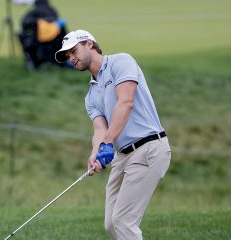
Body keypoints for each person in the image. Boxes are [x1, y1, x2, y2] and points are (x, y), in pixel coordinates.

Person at [55, 29, 171, 239]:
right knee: (112, 224)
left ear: (89, 44)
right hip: (123, 156)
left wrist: (108, 143)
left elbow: (125, 102)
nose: (71, 58)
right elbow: (100, 129)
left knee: (124, 222)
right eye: (67, 55)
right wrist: (95, 152)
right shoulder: (90, 96)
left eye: (73, 51)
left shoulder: (121, 62)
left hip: (149, 148)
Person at [19, 0, 69, 70]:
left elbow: (24, 25)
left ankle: (34, 64)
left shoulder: (32, 13)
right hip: (54, 46)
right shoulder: (53, 12)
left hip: (36, 46)